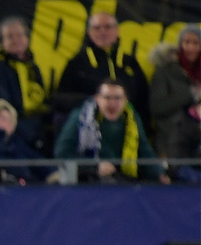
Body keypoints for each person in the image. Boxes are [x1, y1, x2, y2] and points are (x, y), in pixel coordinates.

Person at [53, 80, 168, 183]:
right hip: (88, 180)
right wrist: (94, 167)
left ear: (125, 100)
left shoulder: (132, 118)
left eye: (117, 98)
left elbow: (143, 150)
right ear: (97, 99)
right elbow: (62, 153)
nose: (112, 104)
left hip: (123, 178)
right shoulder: (81, 117)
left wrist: (159, 173)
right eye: (107, 98)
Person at [53, 11, 150, 128]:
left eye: (108, 27)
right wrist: (94, 102)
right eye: (97, 28)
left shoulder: (130, 63)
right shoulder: (77, 64)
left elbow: (143, 100)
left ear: (117, 31)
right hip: (90, 128)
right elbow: (62, 99)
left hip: (127, 128)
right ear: (89, 32)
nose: (103, 32)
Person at [0, 16, 52, 154]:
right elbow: (2, 102)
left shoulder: (33, 66)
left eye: (19, 35)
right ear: (2, 41)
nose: (16, 40)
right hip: (16, 129)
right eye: (10, 36)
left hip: (38, 126)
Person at [149, 26, 201, 163]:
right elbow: (157, 106)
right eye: (186, 42)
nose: (190, 47)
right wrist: (190, 94)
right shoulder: (164, 70)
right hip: (170, 143)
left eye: (195, 43)